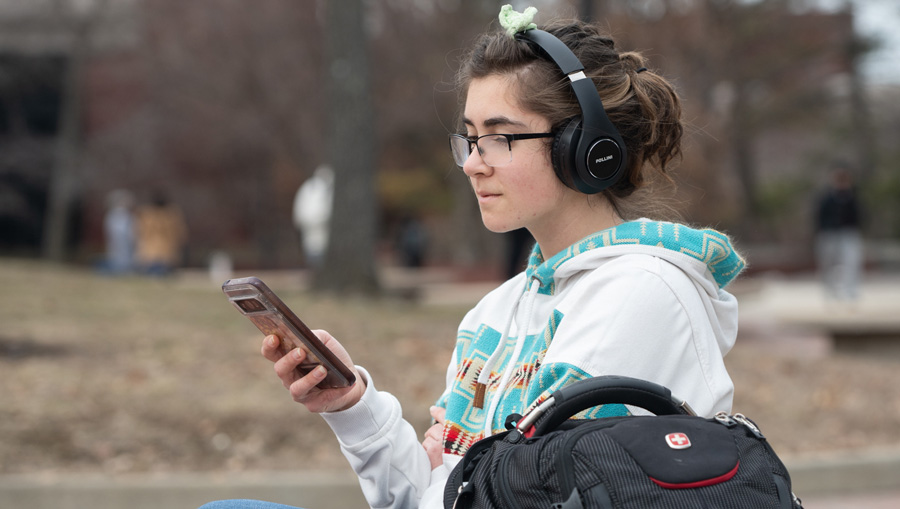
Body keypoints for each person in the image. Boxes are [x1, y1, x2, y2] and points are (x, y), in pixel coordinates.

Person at [200, 5, 744, 508]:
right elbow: (430, 495)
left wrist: (459, 468)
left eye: (500, 138)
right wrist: (352, 404)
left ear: (583, 148)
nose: (472, 164)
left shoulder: (641, 294)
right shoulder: (495, 314)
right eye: (469, 138)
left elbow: (529, 493)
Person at [815, 165, 864, 301]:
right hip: (829, 234)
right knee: (828, 263)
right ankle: (829, 291)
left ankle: (851, 291)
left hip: (848, 233)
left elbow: (860, 216)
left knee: (851, 261)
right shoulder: (826, 198)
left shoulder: (853, 197)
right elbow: (819, 216)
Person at [135, 190, 188, 276]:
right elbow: (181, 234)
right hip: (164, 254)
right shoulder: (171, 215)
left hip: (152, 254)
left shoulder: (147, 215)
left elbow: (139, 232)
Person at [292, 165, 335, 268]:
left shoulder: (330, 190)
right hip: (312, 236)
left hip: (326, 237)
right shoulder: (309, 189)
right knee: (315, 259)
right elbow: (302, 214)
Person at [100, 189, 135, 275]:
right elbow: (123, 232)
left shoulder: (114, 215)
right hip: (120, 242)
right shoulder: (119, 215)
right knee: (119, 257)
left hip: (120, 243)